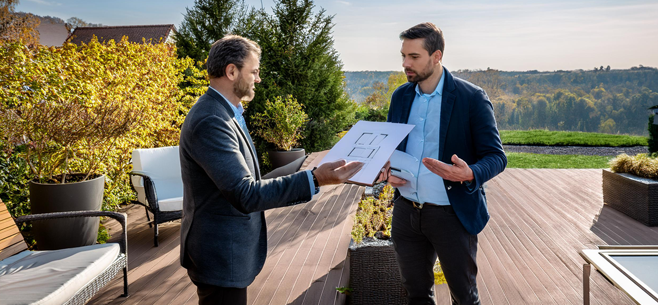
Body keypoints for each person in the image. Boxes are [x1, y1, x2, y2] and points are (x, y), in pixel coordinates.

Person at [179, 35, 363, 305]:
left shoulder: (227, 112)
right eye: (253, 71)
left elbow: (247, 179)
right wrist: (315, 179)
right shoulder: (211, 120)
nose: (258, 78)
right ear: (232, 71)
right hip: (220, 254)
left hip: (226, 252)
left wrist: (304, 166)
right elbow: (245, 193)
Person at [377, 23, 507, 305]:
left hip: (452, 216)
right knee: (416, 296)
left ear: (436, 56)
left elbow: (497, 157)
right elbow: (390, 149)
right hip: (406, 213)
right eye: (403, 56)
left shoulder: (471, 98)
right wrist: (385, 171)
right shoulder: (400, 97)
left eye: (414, 57)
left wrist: (470, 172)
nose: (405, 64)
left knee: (464, 297)